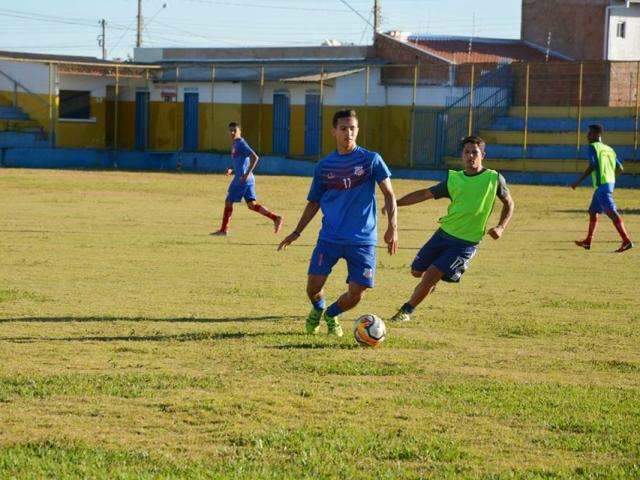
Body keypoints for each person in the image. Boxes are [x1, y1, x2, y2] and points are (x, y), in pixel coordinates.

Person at [278, 109, 398, 336]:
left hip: (362, 239)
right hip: (330, 238)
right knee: (313, 287)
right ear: (334, 131)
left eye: (353, 128)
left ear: (358, 130)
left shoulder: (371, 160)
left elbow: (389, 194)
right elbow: (314, 202)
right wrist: (296, 232)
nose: (348, 133)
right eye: (343, 128)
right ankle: (318, 309)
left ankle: (331, 315)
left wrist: (393, 227)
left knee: (358, 292)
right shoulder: (324, 166)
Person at [388, 135, 514, 323]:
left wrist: (501, 227)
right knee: (416, 272)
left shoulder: (493, 179)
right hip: (443, 235)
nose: (471, 156)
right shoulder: (453, 179)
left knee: (430, 276)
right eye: (467, 152)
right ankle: (429, 284)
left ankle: (406, 311)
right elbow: (425, 193)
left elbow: (509, 204)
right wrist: (395, 204)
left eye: (475, 152)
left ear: (483, 155)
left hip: (465, 243)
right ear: (462, 156)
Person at [211, 122, 283, 236]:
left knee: (228, 201)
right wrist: (231, 168)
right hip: (248, 179)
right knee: (252, 205)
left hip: (242, 179)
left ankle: (223, 230)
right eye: (230, 130)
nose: (232, 132)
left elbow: (255, 157)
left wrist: (245, 174)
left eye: (235, 130)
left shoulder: (241, 143)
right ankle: (276, 218)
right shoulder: (235, 144)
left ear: (240, 131)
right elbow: (239, 162)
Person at [571, 124, 633, 252]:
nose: (588, 135)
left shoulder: (593, 147)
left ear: (597, 135)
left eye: (590, 133)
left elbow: (593, 165)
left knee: (611, 212)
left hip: (602, 186)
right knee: (593, 211)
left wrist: (578, 181)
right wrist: (611, 177)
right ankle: (588, 241)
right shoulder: (609, 149)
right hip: (607, 185)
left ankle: (626, 240)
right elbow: (620, 168)